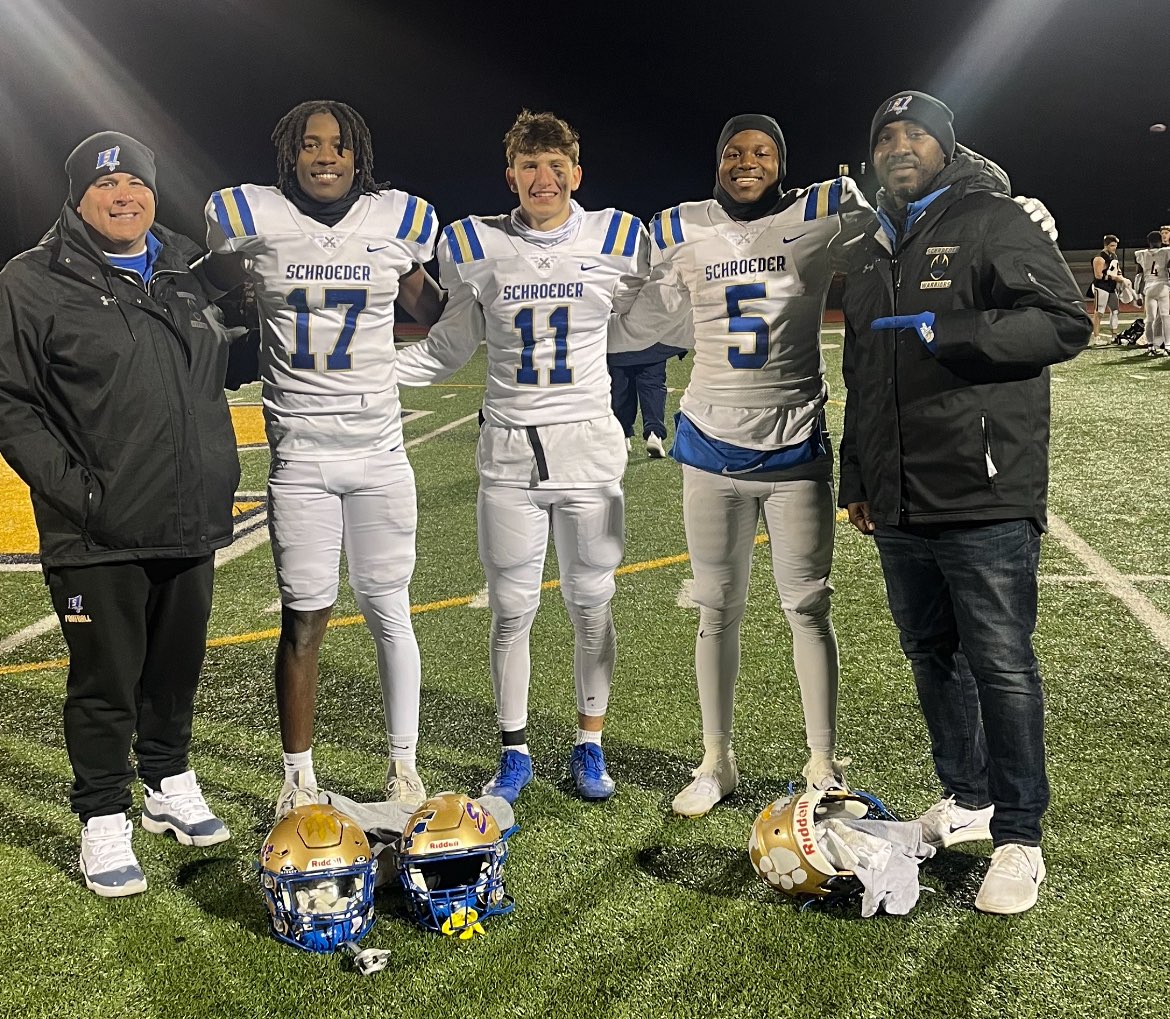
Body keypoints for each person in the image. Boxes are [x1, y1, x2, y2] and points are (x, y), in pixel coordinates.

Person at [838, 90, 1090, 914]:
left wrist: (948, 332)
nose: (899, 146)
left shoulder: (991, 218)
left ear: (947, 148)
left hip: (983, 487)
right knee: (929, 650)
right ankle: (969, 796)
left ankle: (1020, 835)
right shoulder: (875, 243)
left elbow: (1064, 321)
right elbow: (862, 375)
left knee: (1002, 662)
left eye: (916, 134)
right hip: (900, 495)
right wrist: (858, 477)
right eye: (886, 137)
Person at [609, 115, 878, 817]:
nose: (745, 161)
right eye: (733, 151)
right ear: (717, 162)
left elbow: (888, 238)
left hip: (794, 445)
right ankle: (716, 758)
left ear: (781, 162)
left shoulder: (817, 211)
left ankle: (822, 761)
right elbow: (632, 308)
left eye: (761, 151)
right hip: (710, 442)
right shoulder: (680, 225)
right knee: (715, 608)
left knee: (809, 607)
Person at [0, 132, 243, 896]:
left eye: (136, 183)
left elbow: (219, 372)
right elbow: (11, 402)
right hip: (96, 529)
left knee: (176, 671)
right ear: (77, 198)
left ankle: (167, 782)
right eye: (105, 186)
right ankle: (102, 815)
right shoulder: (32, 279)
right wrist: (81, 494)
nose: (123, 196)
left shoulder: (184, 272)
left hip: (189, 513)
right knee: (105, 681)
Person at [201, 101, 445, 818]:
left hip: (379, 453)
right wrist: (235, 289)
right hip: (301, 459)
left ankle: (404, 766)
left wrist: (437, 307)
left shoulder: (396, 222)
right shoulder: (255, 218)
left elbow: (432, 309)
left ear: (358, 154)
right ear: (291, 155)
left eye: (337, 145)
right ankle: (297, 775)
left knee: (390, 609)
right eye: (311, 145)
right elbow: (208, 280)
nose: (325, 156)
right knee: (303, 617)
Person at [395, 110, 645, 804]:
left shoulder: (620, 236)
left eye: (556, 163)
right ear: (512, 176)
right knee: (511, 607)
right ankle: (515, 747)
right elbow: (450, 344)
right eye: (530, 165)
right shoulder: (476, 243)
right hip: (508, 451)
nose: (545, 176)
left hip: (590, 450)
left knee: (593, 603)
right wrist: (372, 369)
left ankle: (590, 743)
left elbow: (652, 315)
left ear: (577, 173)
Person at [606, 342, 686, 458]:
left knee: (621, 389)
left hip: (620, 344)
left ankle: (622, 435)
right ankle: (654, 434)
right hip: (653, 342)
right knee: (653, 386)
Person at [1134, 229, 1170, 356]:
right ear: (1160, 241)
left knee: (1150, 319)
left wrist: (1137, 294)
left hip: (1149, 288)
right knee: (1165, 316)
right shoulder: (1167, 251)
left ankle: (1150, 346)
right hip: (1163, 286)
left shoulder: (1141, 254)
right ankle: (1167, 346)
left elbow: (1139, 276)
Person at [1091, 234, 1124, 342]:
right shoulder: (1099, 258)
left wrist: (1121, 280)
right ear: (1106, 245)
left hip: (1111, 287)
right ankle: (1096, 337)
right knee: (1099, 312)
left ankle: (1114, 336)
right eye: (1112, 246)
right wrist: (1114, 278)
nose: (1114, 248)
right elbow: (1098, 275)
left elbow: (1117, 270)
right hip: (1101, 286)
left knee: (1115, 310)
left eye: (1115, 245)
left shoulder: (1114, 256)